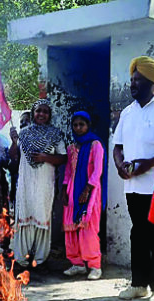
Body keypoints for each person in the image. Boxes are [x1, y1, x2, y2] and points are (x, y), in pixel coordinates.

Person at [113, 56, 154, 301]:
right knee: (138, 232)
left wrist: (147, 164)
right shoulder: (128, 113)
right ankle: (139, 285)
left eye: (138, 80)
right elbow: (118, 146)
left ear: (153, 83)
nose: (132, 84)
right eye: (132, 80)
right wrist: (121, 166)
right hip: (133, 185)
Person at [10, 99, 67, 269]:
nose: (41, 114)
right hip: (26, 183)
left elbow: (63, 157)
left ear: (49, 115)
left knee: (42, 215)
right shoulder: (24, 133)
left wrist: (45, 158)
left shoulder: (55, 134)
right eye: (38, 111)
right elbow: (14, 156)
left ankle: (40, 259)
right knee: (24, 215)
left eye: (45, 111)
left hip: (44, 183)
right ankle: (21, 258)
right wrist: (14, 141)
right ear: (33, 113)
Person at [62, 112, 105, 280]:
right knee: (71, 227)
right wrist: (65, 189)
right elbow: (67, 171)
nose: (78, 128)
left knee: (88, 227)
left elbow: (97, 171)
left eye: (82, 124)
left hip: (91, 189)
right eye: (75, 125)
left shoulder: (95, 145)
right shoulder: (71, 147)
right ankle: (77, 264)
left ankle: (95, 265)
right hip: (72, 189)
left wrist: (86, 190)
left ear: (88, 126)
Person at [8, 111, 31, 208]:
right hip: (19, 189)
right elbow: (12, 167)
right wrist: (14, 143)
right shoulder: (18, 144)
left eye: (27, 120)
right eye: (21, 121)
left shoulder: (40, 143)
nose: (23, 123)